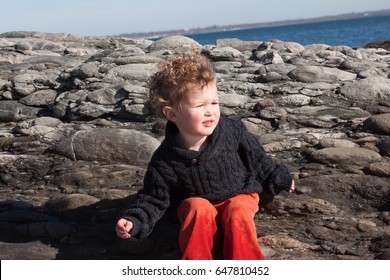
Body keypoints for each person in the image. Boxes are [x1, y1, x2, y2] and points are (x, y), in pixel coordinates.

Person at [116, 49, 295, 260]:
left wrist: (280, 176)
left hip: (239, 193)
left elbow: (258, 160)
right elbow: (153, 198)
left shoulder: (232, 131)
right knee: (197, 208)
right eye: (200, 105)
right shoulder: (165, 160)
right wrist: (134, 220)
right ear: (172, 114)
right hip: (197, 204)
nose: (210, 111)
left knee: (237, 210)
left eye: (214, 103)